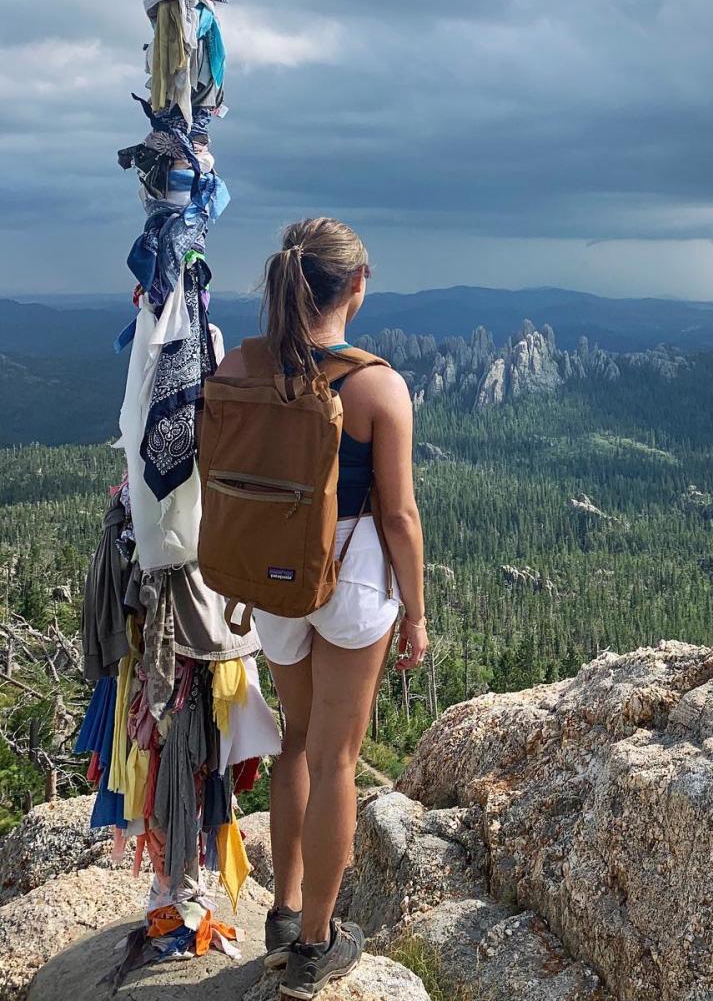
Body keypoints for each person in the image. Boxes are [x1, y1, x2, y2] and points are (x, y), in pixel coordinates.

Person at [215, 217, 427, 999]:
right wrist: (416, 610)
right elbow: (399, 515)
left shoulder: (241, 362)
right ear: (356, 286)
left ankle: (281, 907)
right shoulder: (375, 385)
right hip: (348, 578)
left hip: (269, 579)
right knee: (339, 757)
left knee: (296, 739)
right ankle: (314, 945)